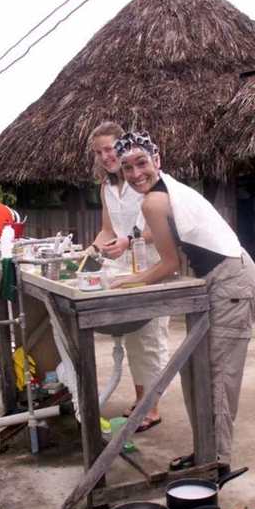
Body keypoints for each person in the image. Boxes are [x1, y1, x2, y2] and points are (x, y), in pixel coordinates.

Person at [111, 130, 255, 476]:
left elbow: (168, 264)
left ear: (156, 160)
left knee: (219, 375)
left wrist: (129, 280)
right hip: (215, 279)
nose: (135, 174)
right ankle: (205, 451)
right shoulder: (162, 193)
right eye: (127, 168)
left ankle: (217, 462)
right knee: (196, 371)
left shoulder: (154, 200)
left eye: (141, 164)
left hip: (231, 280)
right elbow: (162, 238)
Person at [87, 121, 170, 432]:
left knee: (151, 337)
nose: (106, 156)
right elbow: (108, 230)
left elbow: (158, 226)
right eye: (99, 152)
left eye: (109, 148)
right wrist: (86, 253)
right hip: (123, 267)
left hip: (153, 263)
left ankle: (153, 407)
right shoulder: (107, 187)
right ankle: (142, 400)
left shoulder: (142, 181)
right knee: (133, 338)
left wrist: (129, 241)